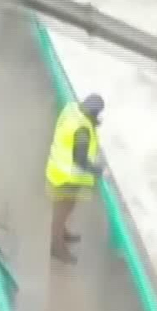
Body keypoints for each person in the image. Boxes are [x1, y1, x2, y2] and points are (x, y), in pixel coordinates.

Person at [44, 93, 106, 264]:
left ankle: (63, 234)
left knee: (65, 211)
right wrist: (99, 171)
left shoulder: (72, 110)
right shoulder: (82, 131)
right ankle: (57, 248)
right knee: (60, 215)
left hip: (58, 173)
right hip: (65, 179)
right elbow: (81, 161)